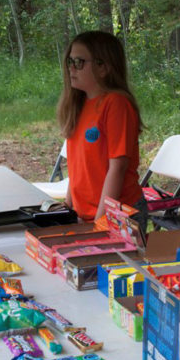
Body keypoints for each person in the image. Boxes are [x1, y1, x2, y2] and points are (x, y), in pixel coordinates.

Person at [57, 31, 143, 222]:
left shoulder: (116, 103)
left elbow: (117, 169)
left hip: (117, 214)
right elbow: (78, 166)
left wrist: (100, 222)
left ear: (103, 67)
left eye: (79, 62)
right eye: (70, 62)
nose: (72, 68)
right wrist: (68, 206)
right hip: (87, 214)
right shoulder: (78, 105)